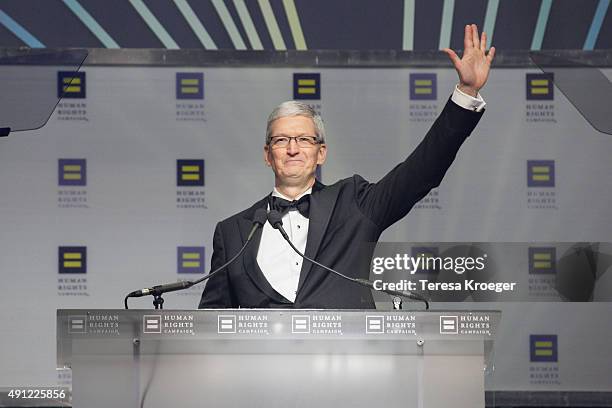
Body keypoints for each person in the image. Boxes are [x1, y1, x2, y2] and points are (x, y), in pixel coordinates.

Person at [199, 24, 495, 309]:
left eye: (303, 139)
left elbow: (421, 172)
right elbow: (209, 326)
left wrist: (466, 94)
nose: (292, 149)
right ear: (267, 154)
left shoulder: (354, 203)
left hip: (349, 358)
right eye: (281, 140)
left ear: (321, 153)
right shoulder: (232, 233)